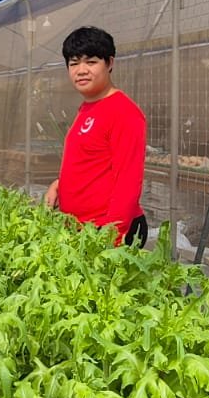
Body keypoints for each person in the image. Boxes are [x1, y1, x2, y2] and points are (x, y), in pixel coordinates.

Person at [43, 26, 148, 247]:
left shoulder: (123, 112)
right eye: (74, 63)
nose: (81, 70)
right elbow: (91, 162)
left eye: (91, 62)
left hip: (106, 232)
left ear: (110, 63)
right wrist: (60, 184)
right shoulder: (87, 108)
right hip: (83, 229)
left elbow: (128, 182)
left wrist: (111, 239)